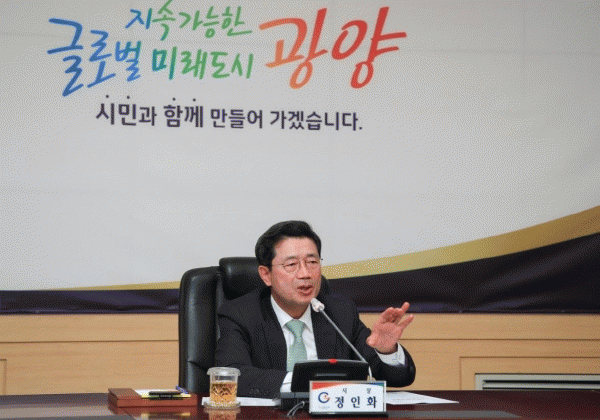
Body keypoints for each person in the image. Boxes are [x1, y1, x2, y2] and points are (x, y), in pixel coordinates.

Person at [215, 221, 416, 398]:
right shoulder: (239, 314)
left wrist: (386, 350)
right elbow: (231, 375)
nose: (305, 273)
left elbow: (399, 378)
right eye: (291, 264)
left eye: (312, 262)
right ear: (266, 275)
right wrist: (308, 381)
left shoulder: (340, 312)